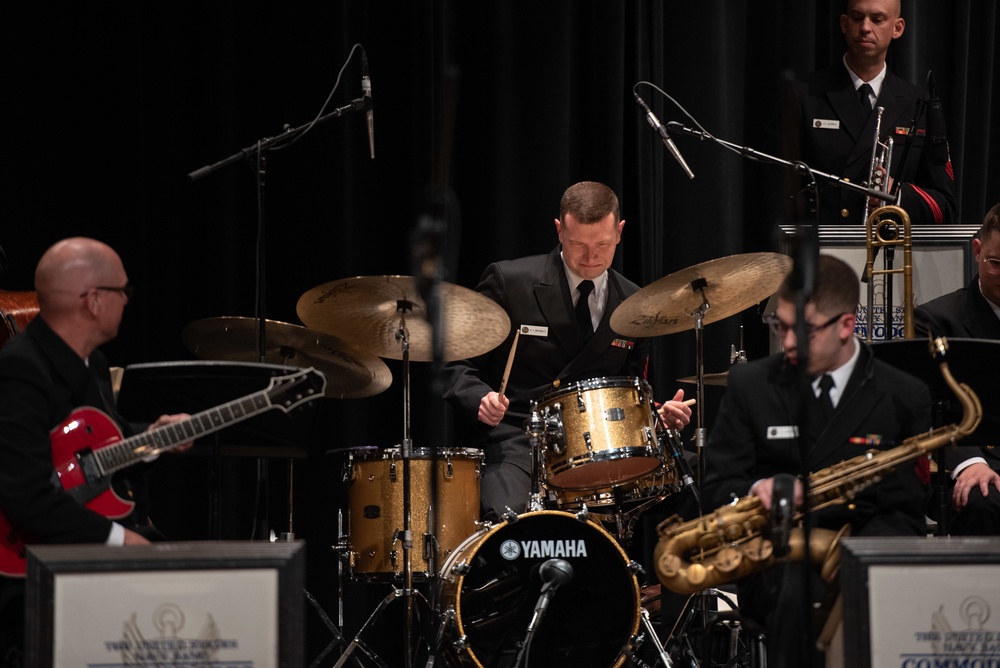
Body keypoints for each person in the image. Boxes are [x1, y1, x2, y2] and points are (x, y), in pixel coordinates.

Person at [701, 254, 932, 668]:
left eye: (803, 331)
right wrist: (758, 491)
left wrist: (853, 556)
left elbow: (908, 509)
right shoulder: (751, 384)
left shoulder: (904, 394)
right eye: (781, 326)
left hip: (866, 552)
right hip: (775, 558)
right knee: (797, 597)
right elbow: (718, 486)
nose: (788, 342)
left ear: (846, 325)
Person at [442, 181, 692, 523]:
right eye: (578, 244)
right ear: (560, 231)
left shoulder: (634, 302)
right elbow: (455, 360)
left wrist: (656, 418)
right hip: (518, 440)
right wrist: (480, 397)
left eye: (602, 244)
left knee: (696, 479)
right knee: (513, 522)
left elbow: (630, 389)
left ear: (619, 232)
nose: (591, 258)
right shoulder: (510, 281)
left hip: (600, 448)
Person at [0, 237, 192, 662]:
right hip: (30, 568)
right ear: (93, 301)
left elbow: (104, 442)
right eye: (122, 291)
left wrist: (154, 438)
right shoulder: (21, 368)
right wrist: (120, 540)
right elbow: (25, 496)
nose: (127, 301)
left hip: (78, 545)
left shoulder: (94, 363)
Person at [773, 0, 956, 225]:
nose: (865, 28)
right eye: (858, 18)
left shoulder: (919, 103)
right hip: (822, 252)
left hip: (888, 252)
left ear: (897, 28)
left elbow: (945, 207)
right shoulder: (803, 95)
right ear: (844, 23)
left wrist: (896, 194)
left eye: (877, 19)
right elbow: (776, 192)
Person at [914, 202, 1000, 535]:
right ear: (977, 251)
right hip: (965, 458)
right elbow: (928, 409)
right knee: (981, 500)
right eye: (997, 263)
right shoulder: (936, 319)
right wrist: (971, 462)